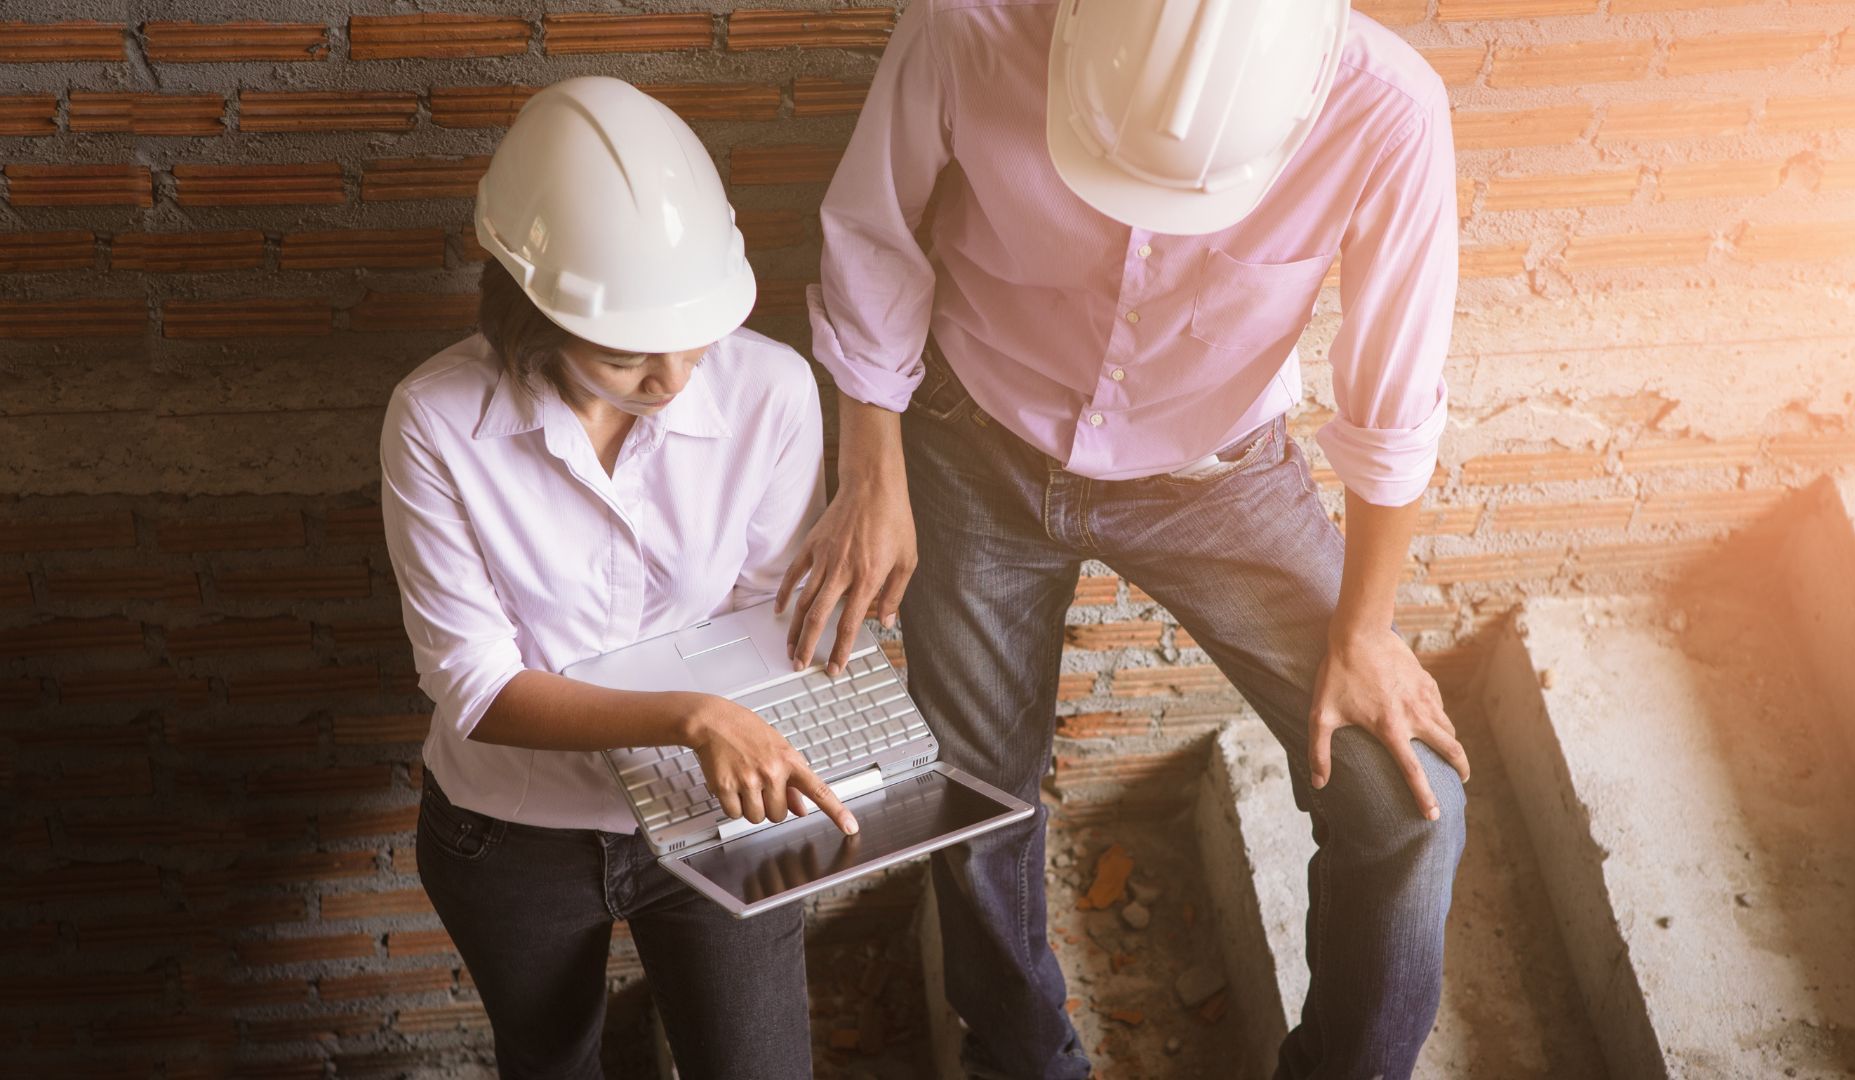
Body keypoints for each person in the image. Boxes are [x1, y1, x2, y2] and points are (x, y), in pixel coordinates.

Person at [784, 2, 1470, 1077]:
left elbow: (1392, 410)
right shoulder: (970, 26)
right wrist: (874, 469)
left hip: (1216, 479)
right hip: (971, 445)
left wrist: (1368, 628)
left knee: (1409, 805)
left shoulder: (1387, 108)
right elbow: (872, 232)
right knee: (976, 796)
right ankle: (1021, 1057)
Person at [380, 76, 856, 1080]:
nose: (677, 377)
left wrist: (789, 699)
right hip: (511, 837)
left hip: (718, 815)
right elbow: (474, 685)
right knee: (551, 1063)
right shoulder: (435, 422)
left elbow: (761, 609)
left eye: (694, 335)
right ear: (529, 306)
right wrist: (689, 715)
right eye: (629, 352)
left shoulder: (769, 390)